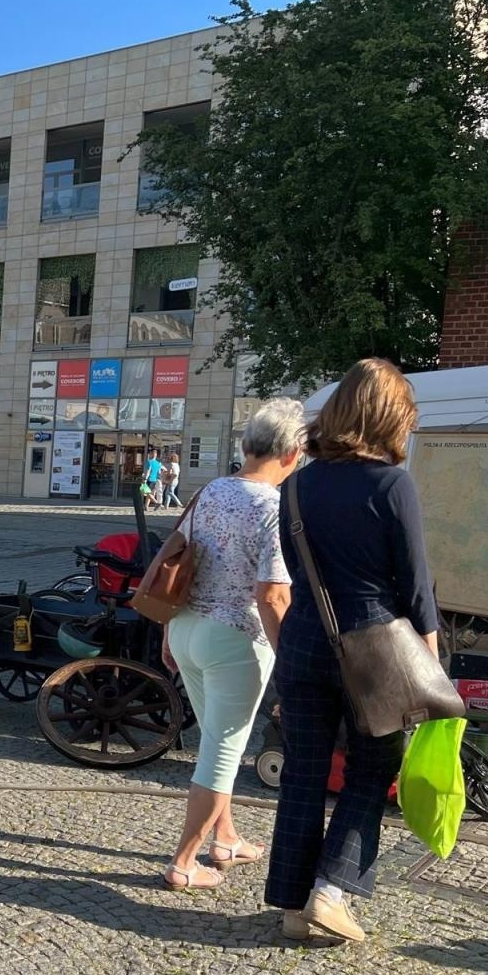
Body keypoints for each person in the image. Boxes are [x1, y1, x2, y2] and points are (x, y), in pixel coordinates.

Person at [265, 358, 437, 944]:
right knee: (372, 769)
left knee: (304, 774)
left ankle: (290, 904)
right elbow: (415, 586)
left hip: (305, 639)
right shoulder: (394, 485)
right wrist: (432, 661)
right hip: (376, 648)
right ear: (390, 418)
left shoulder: (296, 485)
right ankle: (331, 892)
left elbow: (293, 571)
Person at [160, 400, 304, 892]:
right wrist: (290, 661)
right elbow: (273, 595)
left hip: (186, 629)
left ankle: (226, 839)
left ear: (245, 446)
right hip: (236, 641)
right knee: (222, 752)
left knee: (218, 741)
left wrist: (166, 630)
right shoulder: (274, 509)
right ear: (293, 454)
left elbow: (175, 561)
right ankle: (183, 863)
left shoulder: (210, 491)